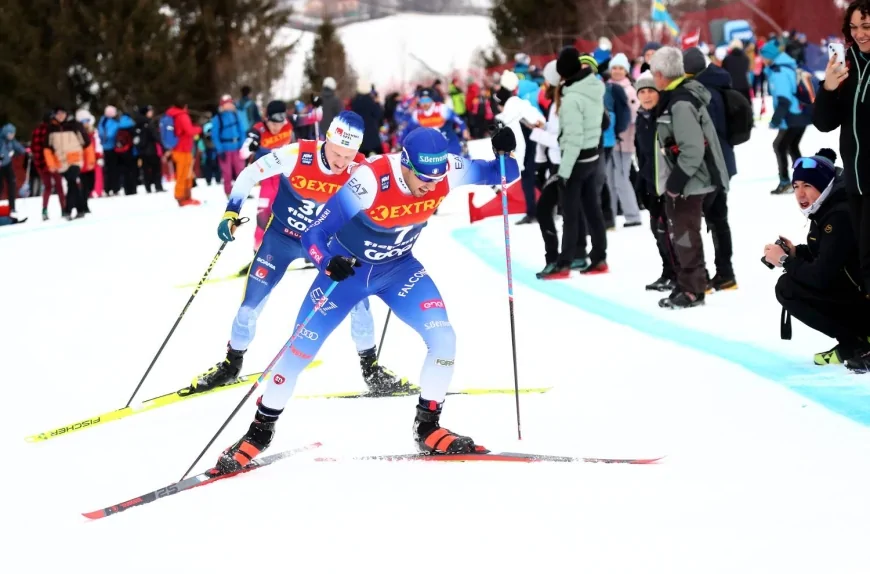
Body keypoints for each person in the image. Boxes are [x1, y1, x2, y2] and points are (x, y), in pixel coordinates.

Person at [210, 126, 519, 474]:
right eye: (423, 178)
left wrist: (506, 152)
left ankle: (427, 427)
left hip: (398, 270)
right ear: (406, 163)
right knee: (298, 352)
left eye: (437, 179)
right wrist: (327, 261)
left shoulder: (450, 168)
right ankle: (259, 432)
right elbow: (315, 232)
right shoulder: (371, 179)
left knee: (444, 339)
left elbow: (504, 174)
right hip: (349, 274)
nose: (430, 187)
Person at [194, 111, 409, 396]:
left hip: (325, 247)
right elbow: (249, 174)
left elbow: (394, 189)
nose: (341, 163)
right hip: (281, 240)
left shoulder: (361, 168)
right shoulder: (296, 154)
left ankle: (371, 369)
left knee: (359, 302)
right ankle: (231, 364)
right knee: (248, 309)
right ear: (327, 139)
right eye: (337, 153)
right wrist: (231, 212)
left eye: (349, 156)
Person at [766, 149, 870, 369]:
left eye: (807, 185)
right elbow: (828, 255)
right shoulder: (828, 207)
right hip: (857, 291)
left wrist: (785, 261)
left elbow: (821, 276)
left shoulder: (839, 215)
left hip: (863, 297)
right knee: (791, 283)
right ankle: (856, 339)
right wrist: (795, 252)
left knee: (788, 288)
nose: (800, 194)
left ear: (823, 186)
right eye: (796, 186)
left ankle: (857, 344)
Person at [650, 47, 730, 309]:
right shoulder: (677, 97)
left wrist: (675, 183)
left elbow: (693, 149)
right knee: (683, 235)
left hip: (692, 183)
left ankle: (693, 290)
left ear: (660, 74)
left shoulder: (681, 103)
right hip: (694, 180)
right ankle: (689, 284)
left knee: (685, 236)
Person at [813, 0, 870, 298]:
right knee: (864, 261)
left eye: (867, 26)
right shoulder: (848, 65)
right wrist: (829, 88)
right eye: (854, 27)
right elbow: (824, 123)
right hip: (856, 184)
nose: (859, 34)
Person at [537, 47, 608, 278]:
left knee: (570, 213)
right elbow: (602, 123)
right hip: (592, 155)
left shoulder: (571, 99)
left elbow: (573, 139)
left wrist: (564, 173)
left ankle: (564, 263)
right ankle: (599, 257)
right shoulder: (592, 88)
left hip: (576, 161)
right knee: (592, 210)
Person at [683, 47, 738, 292]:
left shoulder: (699, 93)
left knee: (692, 221)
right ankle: (726, 274)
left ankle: (701, 276)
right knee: (718, 219)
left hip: (707, 166)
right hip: (724, 162)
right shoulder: (720, 84)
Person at [634, 72, 676, 292]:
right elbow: (641, 154)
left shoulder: (664, 117)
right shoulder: (641, 118)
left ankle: (679, 274)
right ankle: (668, 271)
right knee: (656, 229)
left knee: (668, 230)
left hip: (668, 184)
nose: (647, 96)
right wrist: (641, 181)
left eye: (651, 91)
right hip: (651, 183)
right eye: (642, 92)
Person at [240, 100, 295, 256]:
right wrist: (251, 146)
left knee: (291, 216)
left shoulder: (289, 124)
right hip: (268, 180)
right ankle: (257, 250)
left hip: (287, 179)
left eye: (280, 124)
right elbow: (242, 153)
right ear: (266, 119)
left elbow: (315, 117)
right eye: (273, 124)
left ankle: (296, 251)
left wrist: (317, 107)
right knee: (263, 215)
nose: (277, 128)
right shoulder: (258, 130)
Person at [495, 70, 546, 226]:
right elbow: (537, 120)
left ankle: (535, 212)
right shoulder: (519, 102)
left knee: (530, 180)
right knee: (536, 178)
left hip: (530, 148)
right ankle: (545, 208)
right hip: (535, 145)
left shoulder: (513, 106)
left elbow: (521, 136)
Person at [760, 41, 809, 195]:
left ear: (770, 56)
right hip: (799, 114)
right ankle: (804, 180)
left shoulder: (779, 72)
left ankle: (786, 182)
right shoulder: (786, 66)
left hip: (792, 116)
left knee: (780, 146)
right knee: (791, 146)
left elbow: (784, 100)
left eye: (764, 56)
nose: (762, 59)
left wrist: (775, 120)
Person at [44, 105, 91, 220]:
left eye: (63, 113)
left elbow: (87, 143)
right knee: (72, 183)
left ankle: (68, 209)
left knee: (71, 180)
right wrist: (51, 164)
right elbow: (47, 149)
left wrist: (90, 160)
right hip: (60, 162)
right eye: (58, 114)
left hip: (75, 159)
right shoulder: (51, 129)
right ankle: (81, 208)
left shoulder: (75, 125)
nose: (61, 116)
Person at [213, 94, 249, 196]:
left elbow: (242, 131)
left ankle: (242, 191)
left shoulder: (236, 116)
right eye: (226, 104)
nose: (229, 105)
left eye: (230, 103)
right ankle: (228, 192)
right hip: (225, 149)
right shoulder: (218, 118)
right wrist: (220, 150)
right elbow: (215, 135)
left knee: (240, 171)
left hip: (237, 147)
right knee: (227, 172)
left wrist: (242, 145)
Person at [0, 124, 26, 216]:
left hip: (7, 165)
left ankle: (12, 207)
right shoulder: (1, 140)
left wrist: (25, 151)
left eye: (13, 134)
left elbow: (19, 148)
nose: (12, 136)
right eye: (10, 134)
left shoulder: (11, 141)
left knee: (12, 184)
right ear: (5, 133)